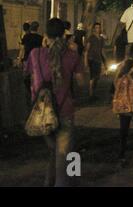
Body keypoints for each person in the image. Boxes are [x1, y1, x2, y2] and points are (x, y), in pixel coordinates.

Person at [25, 18, 84, 186]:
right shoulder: (72, 55)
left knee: (54, 152)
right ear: (64, 35)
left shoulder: (35, 54)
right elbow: (81, 82)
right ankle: (67, 181)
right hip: (64, 110)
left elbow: (28, 75)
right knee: (65, 157)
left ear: (45, 35)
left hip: (41, 113)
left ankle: (49, 182)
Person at [84, 23, 106, 101]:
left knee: (97, 77)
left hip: (98, 59)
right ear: (93, 29)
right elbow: (87, 50)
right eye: (96, 27)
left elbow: (102, 50)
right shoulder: (91, 38)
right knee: (93, 77)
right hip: (92, 58)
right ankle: (90, 94)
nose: (98, 29)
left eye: (99, 27)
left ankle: (93, 92)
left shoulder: (101, 39)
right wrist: (85, 61)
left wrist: (105, 61)